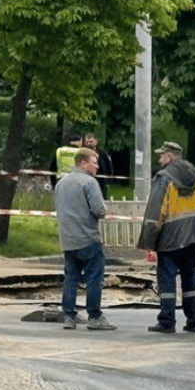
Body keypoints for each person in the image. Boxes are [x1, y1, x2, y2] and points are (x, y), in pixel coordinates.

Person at [137, 141, 195, 333]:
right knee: (191, 277)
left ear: (169, 156)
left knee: (167, 278)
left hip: (171, 236)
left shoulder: (164, 177)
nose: (159, 159)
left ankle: (167, 321)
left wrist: (149, 241)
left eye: (161, 155)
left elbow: (156, 212)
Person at [53, 148, 116, 331]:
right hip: (88, 238)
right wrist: (105, 211)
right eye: (94, 162)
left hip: (67, 239)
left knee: (71, 278)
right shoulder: (89, 182)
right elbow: (99, 210)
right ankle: (94, 316)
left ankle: (69, 316)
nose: (97, 166)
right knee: (94, 278)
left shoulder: (61, 183)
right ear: (83, 163)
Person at [83, 133, 114, 200]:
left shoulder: (102, 153)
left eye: (91, 141)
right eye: (87, 142)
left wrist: (108, 180)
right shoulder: (82, 154)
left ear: (96, 141)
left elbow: (109, 166)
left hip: (100, 182)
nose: (89, 144)